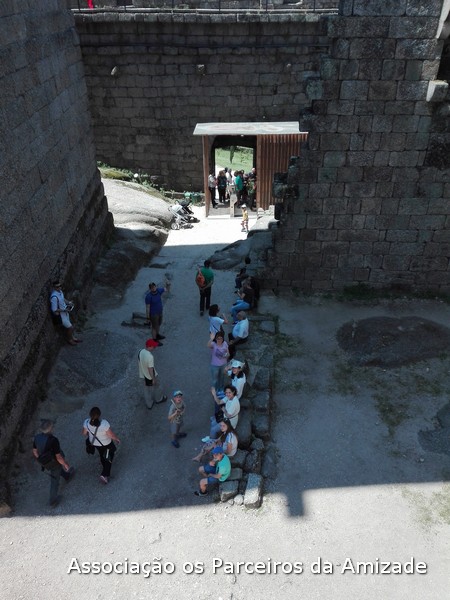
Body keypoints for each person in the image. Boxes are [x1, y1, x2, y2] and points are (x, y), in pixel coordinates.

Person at [32, 420, 75, 507]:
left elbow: (34, 451)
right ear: (51, 429)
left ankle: (67, 476)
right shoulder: (53, 440)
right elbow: (58, 457)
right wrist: (65, 464)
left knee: (57, 470)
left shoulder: (37, 437)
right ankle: (53, 501)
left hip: (45, 461)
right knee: (55, 480)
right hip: (54, 462)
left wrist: (41, 460)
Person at [82, 407, 121, 485]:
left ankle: (104, 467)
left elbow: (84, 433)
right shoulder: (104, 424)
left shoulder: (86, 422)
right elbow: (111, 435)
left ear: (90, 415)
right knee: (109, 457)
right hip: (106, 444)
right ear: (99, 415)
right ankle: (104, 475)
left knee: (102, 454)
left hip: (95, 443)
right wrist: (116, 439)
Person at [49, 280, 81, 346]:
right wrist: (64, 310)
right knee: (70, 327)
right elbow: (54, 309)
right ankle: (70, 340)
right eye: (57, 287)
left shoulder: (60, 292)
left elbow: (63, 299)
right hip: (61, 316)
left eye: (60, 286)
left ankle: (73, 338)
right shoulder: (54, 297)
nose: (59, 288)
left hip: (66, 313)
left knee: (70, 326)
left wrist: (69, 302)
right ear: (54, 288)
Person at [138, 339, 168, 409]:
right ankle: (159, 399)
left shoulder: (140, 351)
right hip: (150, 376)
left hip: (143, 375)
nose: (155, 348)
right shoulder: (150, 357)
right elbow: (150, 369)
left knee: (146, 390)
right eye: (154, 346)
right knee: (158, 386)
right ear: (150, 346)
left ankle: (149, 404)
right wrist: (153, 379)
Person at [145, 281, 170, 345]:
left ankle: (157, 335)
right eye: (152, 287)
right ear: (150, 289)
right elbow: (147, 308)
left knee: (158, 324)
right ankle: (154, 340)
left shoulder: (159, 290)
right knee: (154, 327)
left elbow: (166, 289)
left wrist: (168, 285)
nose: (153, 288)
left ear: (156, 286)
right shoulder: (148, 296)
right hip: (153, 314)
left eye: (154, 286)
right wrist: (148, 318)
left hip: (160, 312)